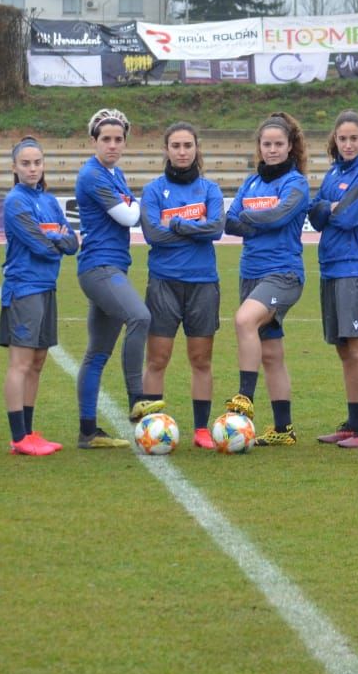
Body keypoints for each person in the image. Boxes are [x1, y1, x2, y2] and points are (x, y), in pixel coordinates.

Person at [222, 112, 311, 446]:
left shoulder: (296, 183)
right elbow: (229, 223)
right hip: (250, 273)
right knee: (271, 354)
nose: (272, 150)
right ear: (259, 147)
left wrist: (249, 217)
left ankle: (244, 398)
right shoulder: (252, 182)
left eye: (278, 144)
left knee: (244, 320)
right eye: (266, 144)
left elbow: (278, 216)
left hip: (283, 274)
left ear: (290, 147)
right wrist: (252, 219)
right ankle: (283, 429)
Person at [74, 108, 158, 449]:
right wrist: (135, 203)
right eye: (105, 139)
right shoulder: (93, 175)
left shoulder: (114, 173)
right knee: (140, 316)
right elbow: (128, 215)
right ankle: (137, 397)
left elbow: (130, 209)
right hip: (99, 268)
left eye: (118, 139)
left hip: (111, 268)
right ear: (94, 141)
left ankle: (88, 432)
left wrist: (132, 202)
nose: (112, 145)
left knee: (97, 353)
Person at [140, 122, 225, 450]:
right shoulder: (152, 190)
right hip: (163, 282)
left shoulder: (209, 189)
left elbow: (216, 229)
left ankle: (201, 429)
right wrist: (194, 228)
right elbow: (153, 236)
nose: (181, 151)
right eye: (175, 145)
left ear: (196, 148)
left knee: (201, 359)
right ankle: (150, 425)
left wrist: (174, 223)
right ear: (166, 150)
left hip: (203, 283)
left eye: (187, 145)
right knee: (157, 359)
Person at [308, 110, 358, 449]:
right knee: (343, 348)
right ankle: (353, 422)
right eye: (342, 138)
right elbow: (318, 215)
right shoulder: (333, 172)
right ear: (335, 141)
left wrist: (330, 208)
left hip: (355, 265)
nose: (348, 144)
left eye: (354, 138)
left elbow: (347, 216)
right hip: (331, 265)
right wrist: (328, 207)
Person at [0, 138, 78, 456]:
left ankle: (29, 431)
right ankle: (18, 436)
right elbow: (42, 246)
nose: (32, 169)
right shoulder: (15, 202)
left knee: (38, 361)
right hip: (24, 288)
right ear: (15, 168)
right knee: (20, 362)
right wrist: (56, 237)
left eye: (37, 163)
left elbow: (72, 244)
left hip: (47, 287)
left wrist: (58, 238)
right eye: (26, 164)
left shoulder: (48, 201)